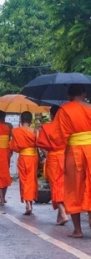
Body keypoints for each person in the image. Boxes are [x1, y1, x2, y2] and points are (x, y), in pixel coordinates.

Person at [49, 84, 91, 238]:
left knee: (74, 189)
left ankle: (78, 230)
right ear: (84, 93)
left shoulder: (65, 110)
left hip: (74, 153)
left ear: (69, 96)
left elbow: (56, 137)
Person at [36, 105, 68, 225]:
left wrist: (47, 155)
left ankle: (63, 213)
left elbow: (42, 145)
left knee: (55, 186)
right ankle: (60, 216)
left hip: (53, 157)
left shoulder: (47, 127)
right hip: (66, 157)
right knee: (63, 185)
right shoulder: (66, 127)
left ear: (51, 115)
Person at [9, 111, 38, 215]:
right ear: (31, 120)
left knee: (24, 179)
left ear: (21, 120)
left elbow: (13, 147)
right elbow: (38, 143)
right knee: (31, 179)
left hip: (22, 157)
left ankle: (28, 204)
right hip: (33, 157)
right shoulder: (35, 130)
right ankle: (30, 203)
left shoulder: (15, 131)